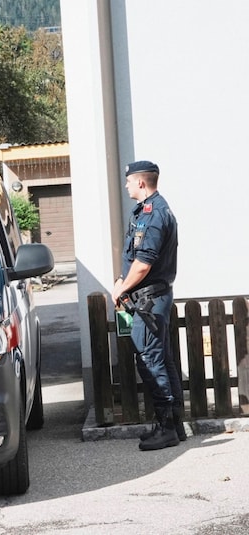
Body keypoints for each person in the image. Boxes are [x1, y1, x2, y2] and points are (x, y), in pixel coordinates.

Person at [111, 160, 184, 451]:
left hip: (150, 301)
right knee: (162, 360)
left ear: (141, 182)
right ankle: (174, 426)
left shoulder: (154, 215)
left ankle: (166, 428)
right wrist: (121, 279)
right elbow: (132, 258)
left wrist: (121, 288)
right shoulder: (143, 212)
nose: (126, 184)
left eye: (129, 181)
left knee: (151, 362)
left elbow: (143, 265)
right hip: (149, 299)